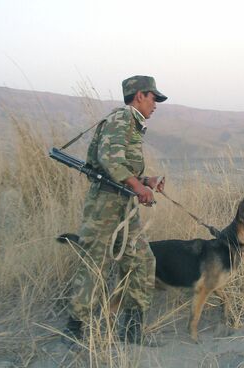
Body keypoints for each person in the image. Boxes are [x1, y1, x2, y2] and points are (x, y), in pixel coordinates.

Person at [64, 75, 167, 345]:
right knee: (93, 263)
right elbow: (108, 160)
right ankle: (74, 329)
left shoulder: (133, 123)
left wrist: (146, 182)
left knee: (142, 261)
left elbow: (121, 168)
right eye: (153, 98)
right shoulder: (122, 118)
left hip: (124, 204)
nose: (155, 104)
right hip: (104, 205)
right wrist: (138, 186)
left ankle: (132, 331)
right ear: (140, 96)